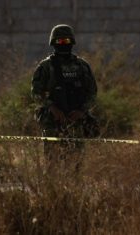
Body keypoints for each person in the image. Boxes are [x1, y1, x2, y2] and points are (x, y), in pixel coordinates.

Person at [31, 24, 98, 173]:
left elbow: (92, 93)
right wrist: (53, 108)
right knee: (52, 164)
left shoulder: (82, 66)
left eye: (66, 41)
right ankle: (52, 194)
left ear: (72, 42)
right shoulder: (46, 67)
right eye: (60, 41)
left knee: (76, 166)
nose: (63, 44)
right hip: (53, 123)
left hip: (76, 123)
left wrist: (81, 111)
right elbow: (36, 93)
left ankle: (74, 194)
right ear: (53, 43)